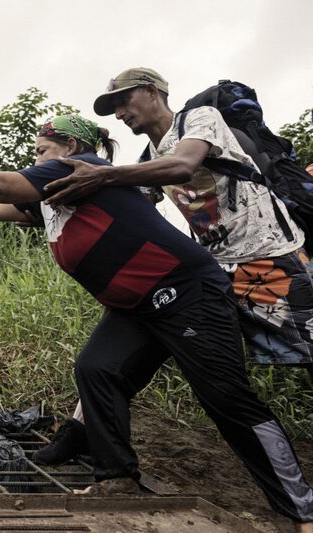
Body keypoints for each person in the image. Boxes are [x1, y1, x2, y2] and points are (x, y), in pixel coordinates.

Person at [0, 114, 313, 529]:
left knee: (227, 401)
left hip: (188, 294)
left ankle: (302, 509)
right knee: (98, 368)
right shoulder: (58, 197)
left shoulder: (83, 170)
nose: (35, 160)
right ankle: (118, 478)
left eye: (41, 151)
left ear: (70, 147)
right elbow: (2, 208)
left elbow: (3, 184)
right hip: (138, 307)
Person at [37, 67, 313, 468]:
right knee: (125, 347)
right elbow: (133, 211)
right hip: (210, 273)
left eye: (124, 100)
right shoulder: (147, 159)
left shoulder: (199, 120)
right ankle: (78, 433)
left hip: (268, 260)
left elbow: (183, 166)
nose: (119, 114)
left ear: (152, 92)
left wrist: (105, 176)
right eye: (113, 107)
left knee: (305, 358)